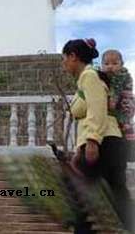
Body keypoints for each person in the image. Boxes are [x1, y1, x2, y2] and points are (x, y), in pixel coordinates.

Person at [62, 38, 134, 233]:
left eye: (65, 59)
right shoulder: (90, 78)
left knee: (78, 185)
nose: (64, 64)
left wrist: (92, 141)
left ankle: (82, 227)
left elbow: (97, 109)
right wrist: (80, 148)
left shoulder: (89, 76)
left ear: (73, 57)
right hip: (111, 140)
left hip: (104, 141)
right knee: (116, 190)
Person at [101, 49, 135, 160]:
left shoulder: (121, 75)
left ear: (121, 64)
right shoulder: (105, 76)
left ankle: (130, 151)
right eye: (106, 64)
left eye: (115, 63)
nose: (110, 66)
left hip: (124, 103)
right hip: (120, 104)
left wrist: (112, 101)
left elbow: (116, 89)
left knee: (124, 124)